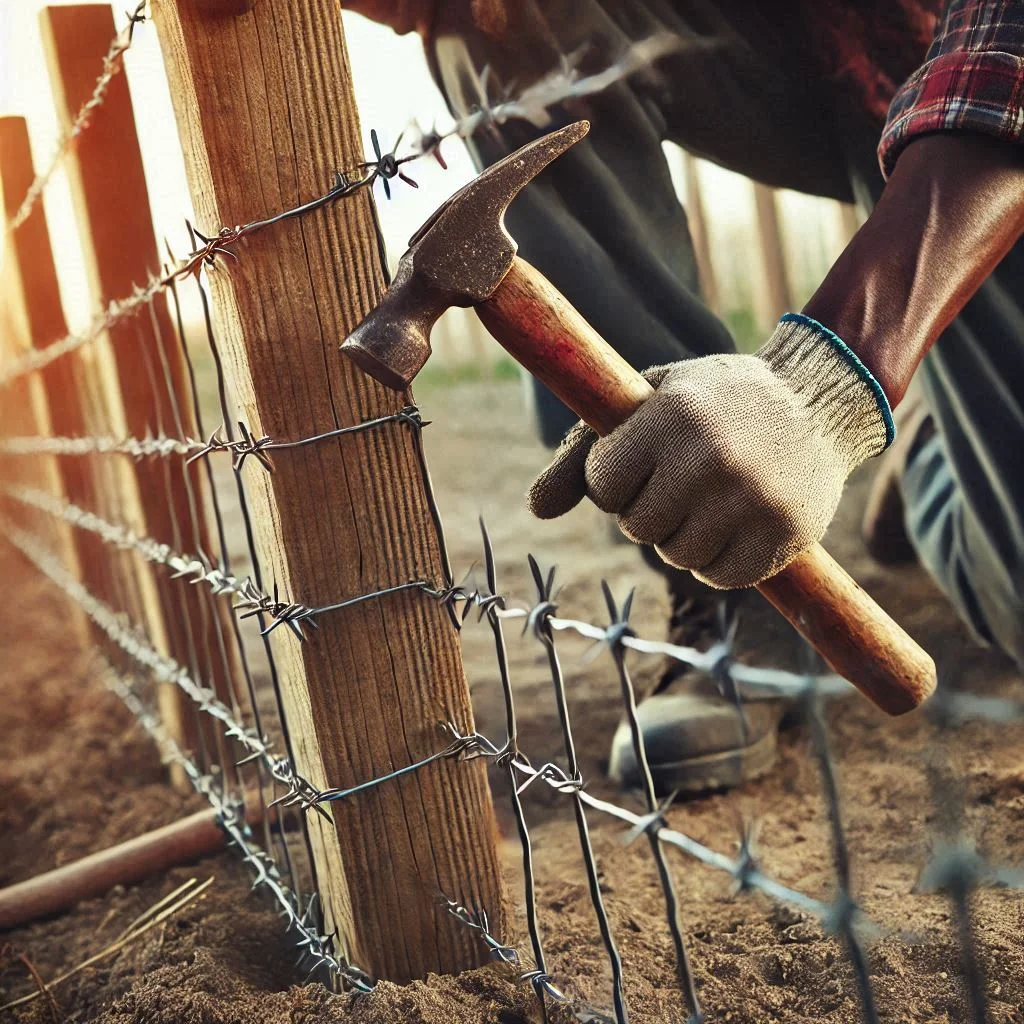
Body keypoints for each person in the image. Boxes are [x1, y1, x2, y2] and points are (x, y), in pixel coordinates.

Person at [348, 0, 1024, 792]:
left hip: (982, 108)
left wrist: (822, 390)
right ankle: (740, 589)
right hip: (822, 71)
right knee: (500, 17)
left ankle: (930, 445)